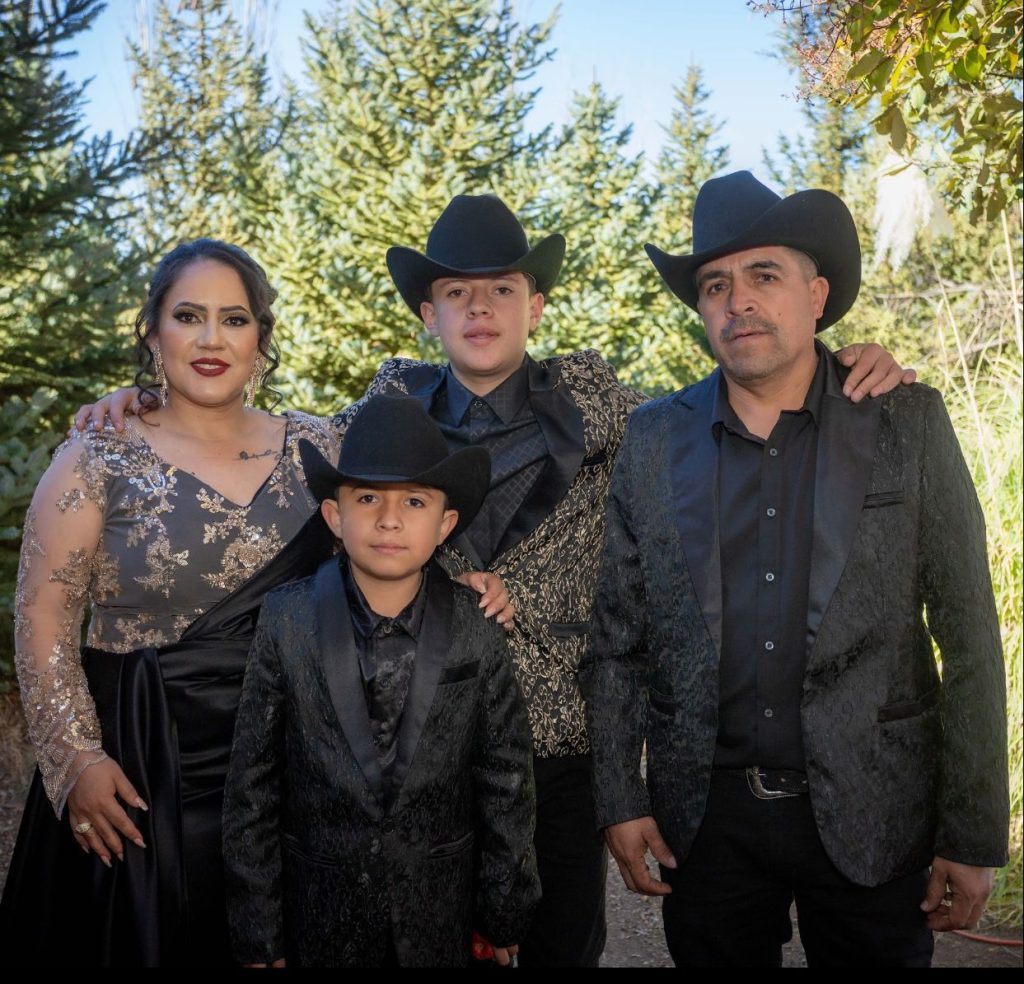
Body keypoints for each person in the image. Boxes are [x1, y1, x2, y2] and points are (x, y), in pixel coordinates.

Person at [74, 193, 914, 967]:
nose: (479, 309)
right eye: (456, 292)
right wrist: (149, 405)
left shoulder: (604, 406)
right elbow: (266, 444)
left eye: (502, 290)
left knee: (556, 943)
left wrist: (843, 363)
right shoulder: (385, 409)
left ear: (534, 307)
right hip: (408, 737)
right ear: (427, 313)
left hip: (556, 744)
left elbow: (728, 406)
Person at [0, 239, 509, 967]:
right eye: (188, 316)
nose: (211, 339)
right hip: (145, 767)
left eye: (234, 319)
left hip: (302, 766)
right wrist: (76, 757)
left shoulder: (317, 444)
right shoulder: (96, 456)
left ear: (260, 338)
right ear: (153, 332)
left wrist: (465, 582)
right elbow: (42, 617)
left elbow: (398, 515)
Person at [580, 170, 1009, 968]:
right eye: (715, 285)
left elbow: (970, 636)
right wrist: (619, 798)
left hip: (879, 809)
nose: (737, 300)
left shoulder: (906, 420)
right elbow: (616, 642)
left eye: (764, 276)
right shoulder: (652, 439)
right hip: (706, 822)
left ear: (817, 296)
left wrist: (973, 831)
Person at [222, 395, 539, 967]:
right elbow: (253, 784)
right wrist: (258, 927)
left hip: (441, 918)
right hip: (319, 917)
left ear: (444, 525)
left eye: (414, 501)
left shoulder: (478, 626)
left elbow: (506, 782)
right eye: (367, 498)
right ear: (334, 516)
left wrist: (503, 910)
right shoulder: (285, 619)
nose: (389, 519)